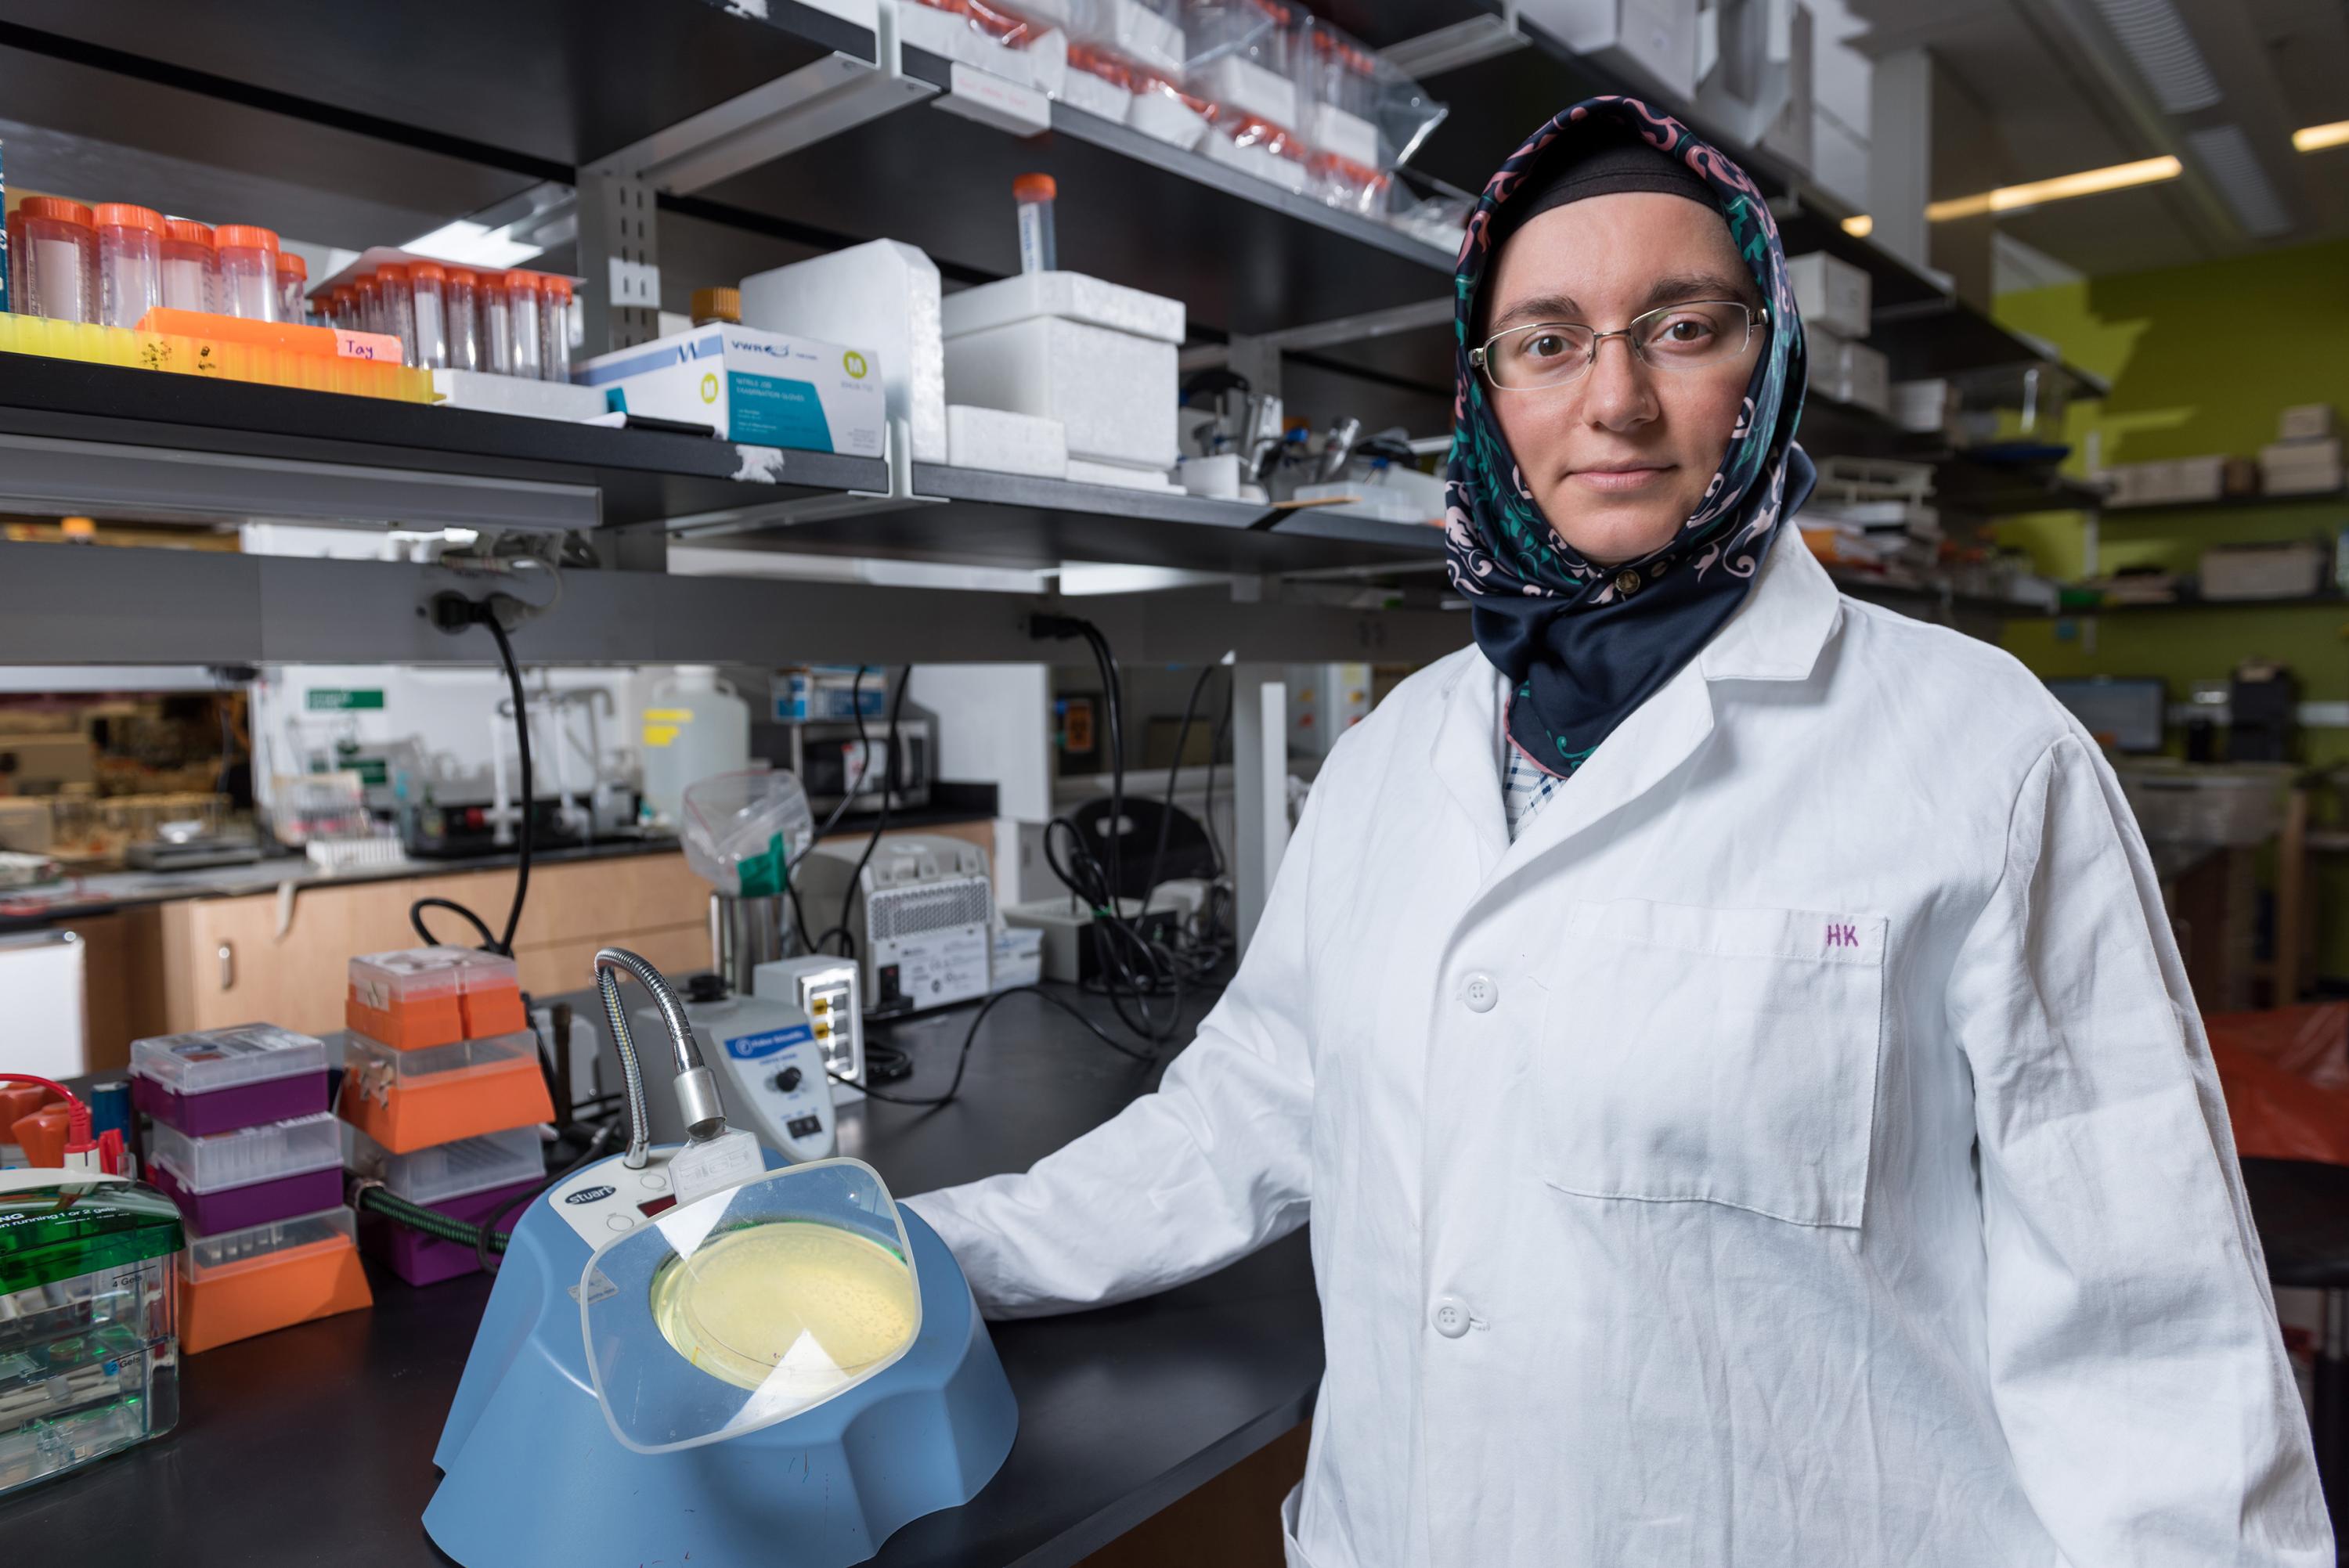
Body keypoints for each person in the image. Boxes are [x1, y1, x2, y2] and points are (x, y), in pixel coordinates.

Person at [907, 98, 2330, 1566]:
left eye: (1682, 326)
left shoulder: (1982, 753)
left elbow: (2148, 1329)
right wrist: (931, 1251)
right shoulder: (1396, 759)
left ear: (1764, 359)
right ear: (1489, 391)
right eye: (1548, 341)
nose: (1616, 402)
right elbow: (1246, 1116)